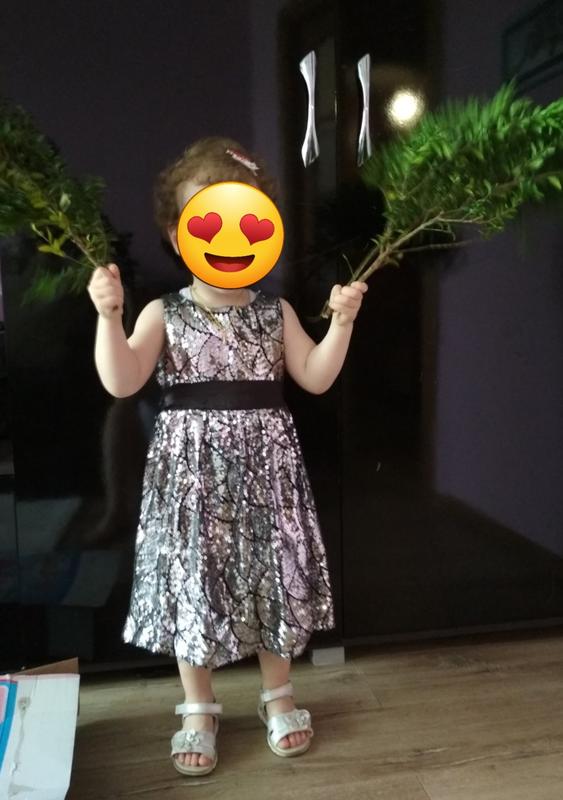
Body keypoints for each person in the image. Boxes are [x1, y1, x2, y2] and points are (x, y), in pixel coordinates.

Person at [87, 137, 367, 776]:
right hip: (190, 479)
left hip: (268, 474)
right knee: (195, 576)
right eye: (209, 220)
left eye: (247, 218)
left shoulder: (275, 312)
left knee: (272, 572)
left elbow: (315, 376)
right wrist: (109, 316)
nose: (231, 235)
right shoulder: (163, 313)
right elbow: (122, 380)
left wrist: (341, 324)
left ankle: (279, 693)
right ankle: (198, 707)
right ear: (177, 233)